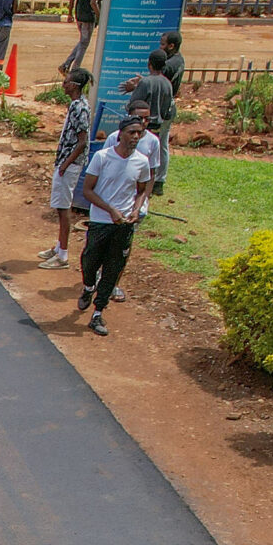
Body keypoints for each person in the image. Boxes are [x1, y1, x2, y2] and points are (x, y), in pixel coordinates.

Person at [76, 114, 155, 337]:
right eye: (132, 132)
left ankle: (98, 312)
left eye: (139, 133)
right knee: (90, 261)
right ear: (120, 134)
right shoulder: (102, 157)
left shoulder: (142, 161)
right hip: (101, 221)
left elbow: (141, 191)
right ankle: (88, 286)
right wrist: (110, 210)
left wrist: (136, 209)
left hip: (124, 224)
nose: (136, 137)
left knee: (113, 267)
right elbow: (87, 190)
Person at [41, 67, 95, 269]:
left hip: (69, 164)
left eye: (66, 82)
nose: (63, 85)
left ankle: (63, 255)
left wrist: (65, 164)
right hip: (66, 162)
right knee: (60, 206)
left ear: (74, 85)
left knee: (63, 208)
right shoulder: (76, 105)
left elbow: (82, 141)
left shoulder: (80, 108)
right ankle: (58, 247)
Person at [124, 47, 176, 195]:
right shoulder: (167, 83)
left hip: (144, 127)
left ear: (149, 64)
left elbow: (133, 105)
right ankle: (156, 185)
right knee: (155, 156)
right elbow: (167, 107)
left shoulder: (146, 82)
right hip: (159, 126)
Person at [61, 0, 103, 76]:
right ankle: (74, 69)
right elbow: (93, 2)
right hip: (88, 16)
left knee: (82, 42)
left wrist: (70, 12)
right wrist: (99, 17)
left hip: (79, 14)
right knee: (84, 44)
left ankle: (66, 65)